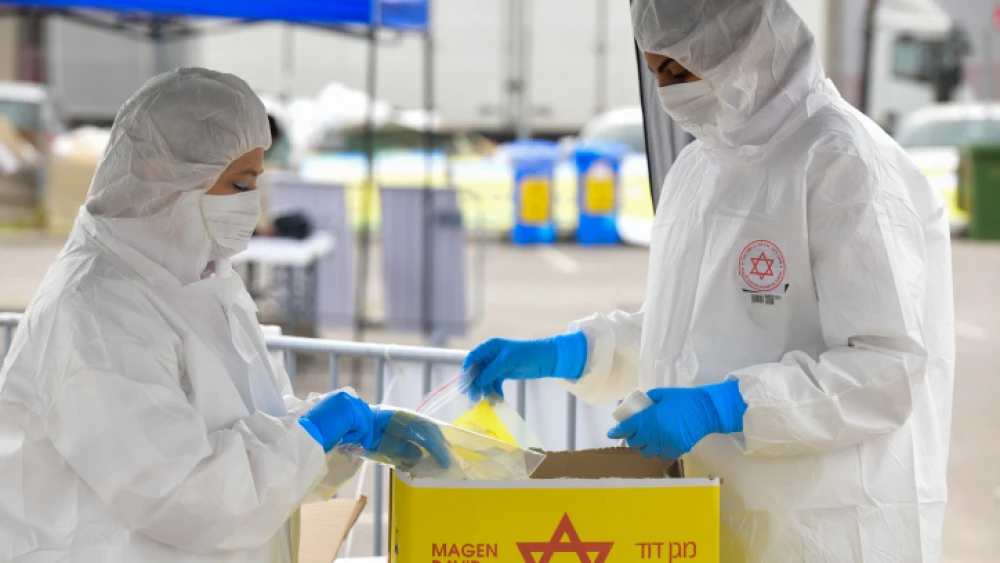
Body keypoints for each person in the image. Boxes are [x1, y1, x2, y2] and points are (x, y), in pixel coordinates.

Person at [462, 1, 954, 561]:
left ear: (743, 48)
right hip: (707, 516)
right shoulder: (699, 168)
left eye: (679, 70)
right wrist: (573, 353)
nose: (670, 93)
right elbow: (684, 331)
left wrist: (728, 406)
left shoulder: (841, 160)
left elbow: (885, 368)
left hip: (821, 524)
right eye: (655, 74)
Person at [0, 68, 445, 563]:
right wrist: (313, 435)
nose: (252, 204)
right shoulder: (95, 311)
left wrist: (333, 430)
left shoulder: (200, 279)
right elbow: (182, 494)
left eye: (256, 182)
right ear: (158, 169)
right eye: (238, 183)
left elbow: (251, 420)